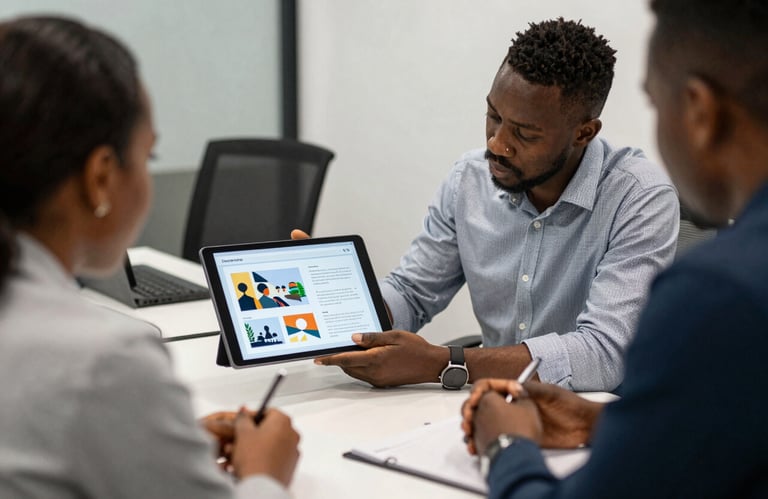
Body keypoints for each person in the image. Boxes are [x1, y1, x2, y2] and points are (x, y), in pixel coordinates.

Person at [462, 1, 768, 497]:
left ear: (699, 111)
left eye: (654, 102)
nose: (498, 143)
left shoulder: (717, 293)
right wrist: (601, 421)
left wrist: (505, 445)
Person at [0, 16, 299, 498]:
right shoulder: (104, 358)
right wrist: (266, 472)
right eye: (148, 157)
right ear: (100, 177)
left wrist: (149, 441)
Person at [301, 18, 679, 392]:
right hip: (494, 401)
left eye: (525, 134)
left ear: (584, 133)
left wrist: (443, 363)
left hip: (596, 413)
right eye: (494, 117)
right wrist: (346, 306)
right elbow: (413, 292)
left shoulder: (638, 197)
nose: (497, 144)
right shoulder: (469, 180)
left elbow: (604, 352)